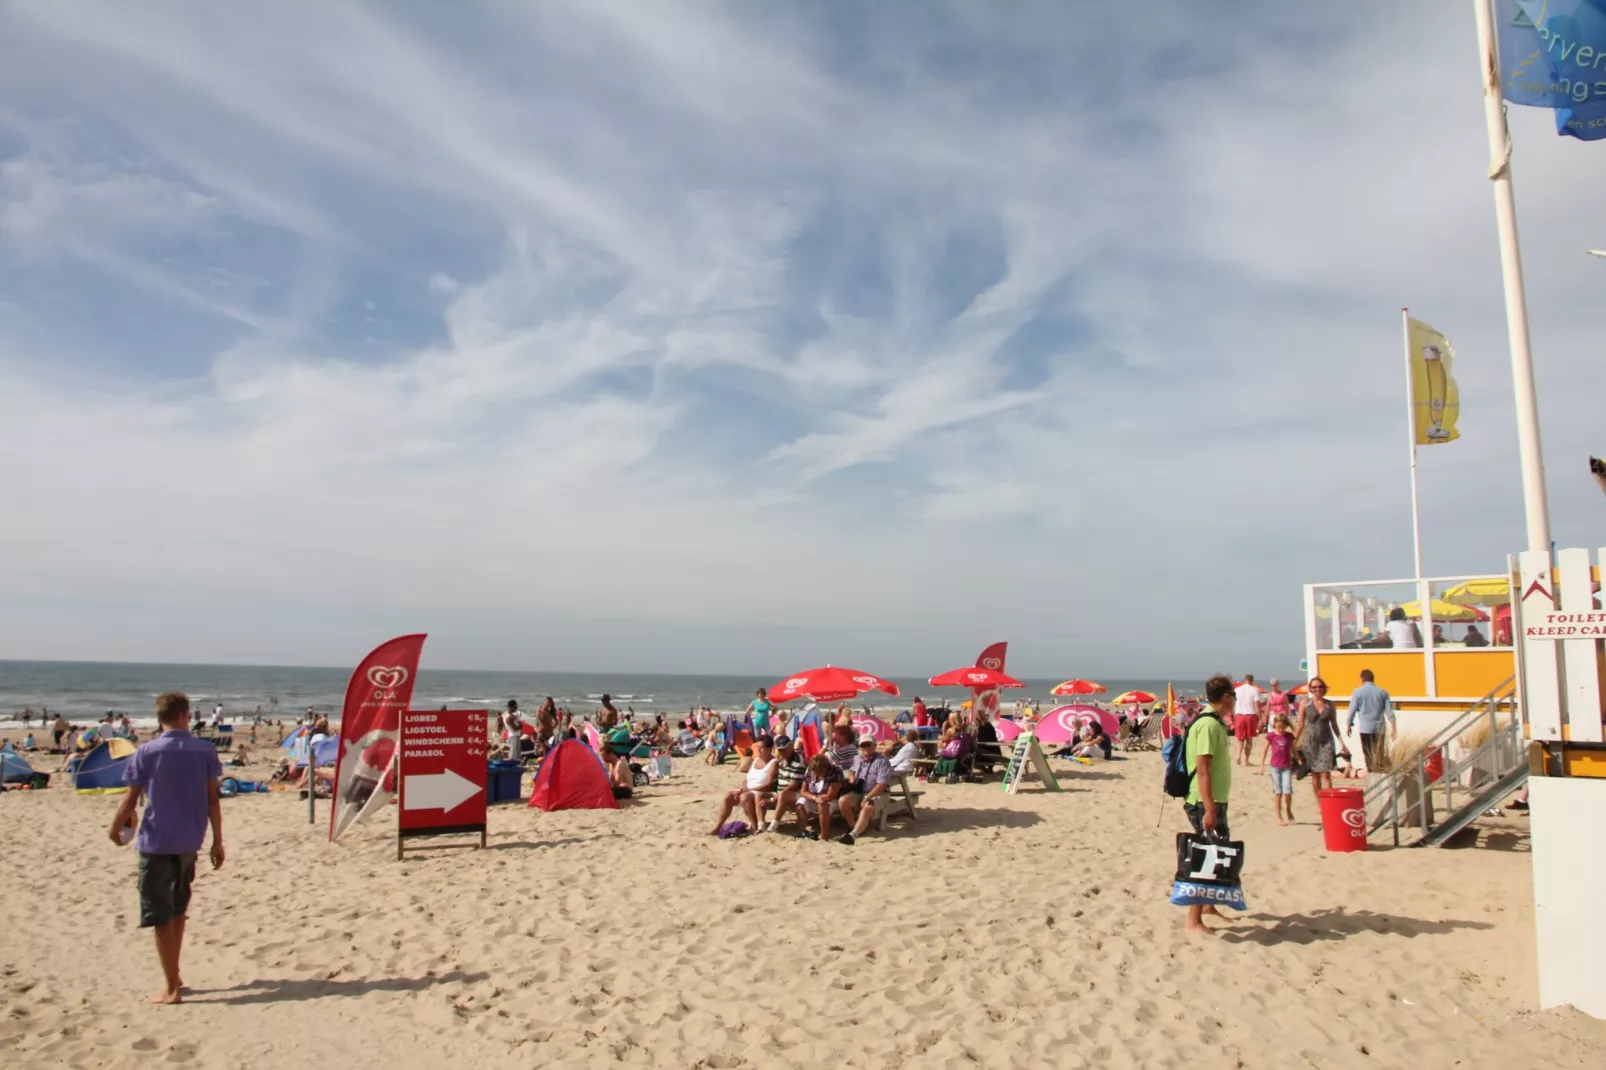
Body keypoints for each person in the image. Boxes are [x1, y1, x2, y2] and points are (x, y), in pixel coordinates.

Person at [107, 691, 224, 1004]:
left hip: (157, 842)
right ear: (186, 715)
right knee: (178, 910)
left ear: (159, 719)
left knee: (160, 915)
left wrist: (114, 827)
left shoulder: (147, 752)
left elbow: (130, 799)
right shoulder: (205, 751)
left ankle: (171, 988)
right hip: (190, 840)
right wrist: (218, 841)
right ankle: (175, 973)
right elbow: (213, 800)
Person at [1181, 674, 1235, 935]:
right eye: (1233, 695)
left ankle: (1208, 906)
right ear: (1226, 697)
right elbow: (1202, 769)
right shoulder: (1208, 725)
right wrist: (1210, 808)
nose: (1235, 700)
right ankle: (1193, 920)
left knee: (1219, 853)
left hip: (1214, 798)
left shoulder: (1216, 723)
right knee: (1206, 854)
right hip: (1203, 801)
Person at [1293, 677, 1349, 802]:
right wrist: (1294, 740)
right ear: (1311, 689)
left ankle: (1329, 801)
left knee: (1326, 774)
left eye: (1319, 686)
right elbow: (1300, 724)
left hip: (1326, 741)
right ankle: (1320, 802)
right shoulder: (1305, 703)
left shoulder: (1330, 704)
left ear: (1324, 688)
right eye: (1314, 687)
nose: (1317, 689)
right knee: (1315, 775)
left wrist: (1341, 742)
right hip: (1310, 742)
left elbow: (1334, 724)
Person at [837, 737, 893, 846]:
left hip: (878, 793)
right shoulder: (857, 758)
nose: (866, 747)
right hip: (859, 790)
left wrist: (867, 797)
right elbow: (852, 771)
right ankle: (853, 825)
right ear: (859, 747)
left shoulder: (882, 761)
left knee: (867, 808)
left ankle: (853, 835)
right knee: (843, 801)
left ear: (874, 745)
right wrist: (852, 781)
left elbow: (882, 785)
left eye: (868, 744)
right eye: (863, 745)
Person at [1346, 669, 1396, 772]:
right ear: (1373, 679)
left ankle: (1372, 774)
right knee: (1379, 754)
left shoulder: (1357, 692)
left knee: (1368, 754)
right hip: (1380, 728)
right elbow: (1389, 712)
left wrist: (1349, 724)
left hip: (1365, 728)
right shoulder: (1383, 692)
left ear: (1362, 679)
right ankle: (1380, 774)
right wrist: (1393, 728)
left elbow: (1352, 710)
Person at [794, 751, 845, 842]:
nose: (817, 774)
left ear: (825, 768)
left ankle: (824, 836)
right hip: (815, 796)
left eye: (819, 772)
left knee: (822, 803)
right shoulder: (810, 770)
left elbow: (830, 795)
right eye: (815, 772)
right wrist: (814, 798)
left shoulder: (835, 771)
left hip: (834, 800)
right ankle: (802, 831)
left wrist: (818, 798)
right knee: (800, 805)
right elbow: (803, 791)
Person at [766, 736, 808, 832]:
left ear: (791, 746)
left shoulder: (798, 762)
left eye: (784, 749)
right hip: (781, 792)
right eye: (780, 749)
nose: (782, 751)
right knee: (758, 795)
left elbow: (793, 786)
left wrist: (773, 799)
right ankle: (759, 825)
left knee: (783, 795)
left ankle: (774, 824)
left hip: (796, 794)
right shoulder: (781, 760)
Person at [1265, 714, 1297, 825]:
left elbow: (1293, 748)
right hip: (1275, 767)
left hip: (1287, 766)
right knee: (1278, 792)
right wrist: (1261, 764)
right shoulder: (1271, 736)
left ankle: (1288, 809)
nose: (1281, 730)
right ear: (1274, 725)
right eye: (1278, 727)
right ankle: (1279, 816)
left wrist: (1299, 759)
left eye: (1283, 728)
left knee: (1287, 790)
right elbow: (1265, 749)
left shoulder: (1289, 736)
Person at [1232, 675, 1262, 765]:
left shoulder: (1237, 690)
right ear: (1252, 681)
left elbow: (1233, 703)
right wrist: (1260, 718)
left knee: (1240, 739)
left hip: (1239, 715)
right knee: (1249, 739)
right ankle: (1246, 759)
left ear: (1244, 680)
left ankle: (1238, 756)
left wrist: (1234, 716)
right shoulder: (1254, 690)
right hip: (1250, 715)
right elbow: (1257, 705)